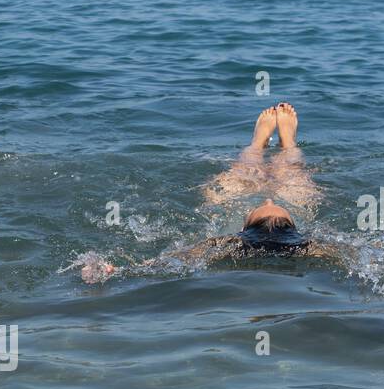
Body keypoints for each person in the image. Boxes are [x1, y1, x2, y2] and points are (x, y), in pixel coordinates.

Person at [77, 103, 356, 283]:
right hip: (288, 215)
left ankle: (257, 145)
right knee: (295, 179)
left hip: (236, 209)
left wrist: (117, 270)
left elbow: (174, 260)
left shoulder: (226, 243)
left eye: (260, 209)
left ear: (244, 228)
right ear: (295, 228)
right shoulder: (310, 245)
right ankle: (287, 143)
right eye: (279, 210)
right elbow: (358, 253)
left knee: (236, 181)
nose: (269, 198)